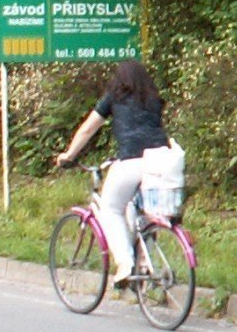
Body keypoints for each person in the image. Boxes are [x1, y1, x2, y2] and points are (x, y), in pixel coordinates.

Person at [54, 59, 171, 287]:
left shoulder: (114, 97)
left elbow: (88, 129)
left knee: (110, 207)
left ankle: (125, 265)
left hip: (132, 160)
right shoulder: (154, 99)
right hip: (162, 161)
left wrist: (68, 155)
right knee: (146, 214)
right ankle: (146, 264)